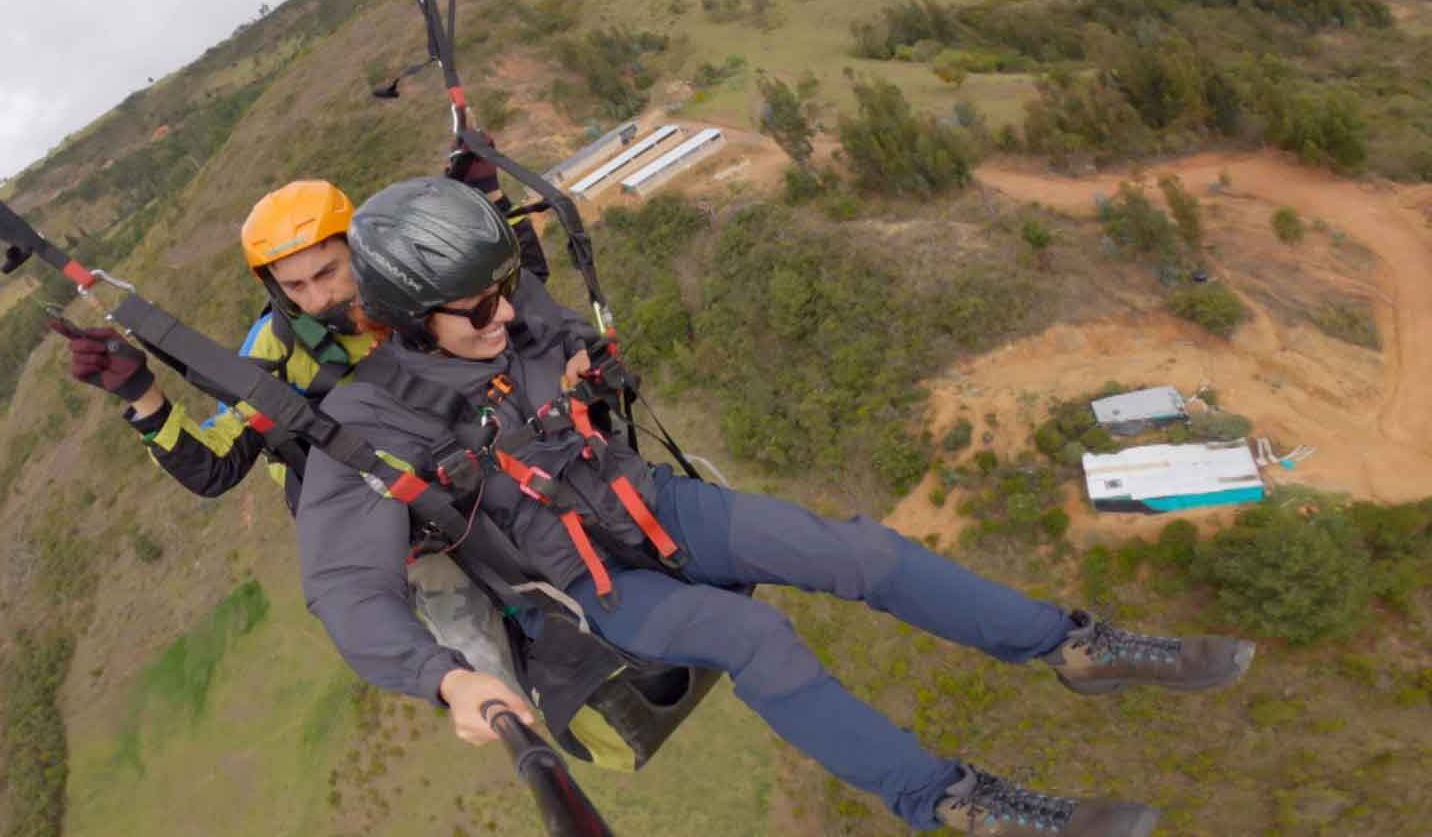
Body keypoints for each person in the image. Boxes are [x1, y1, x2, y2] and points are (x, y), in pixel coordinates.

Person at [295, 177, 1257, 836]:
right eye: (477, 310)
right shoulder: (367, 420)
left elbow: (556, 327)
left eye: (505, 290)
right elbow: (348, 588)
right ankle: (959, 803)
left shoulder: (507, 306)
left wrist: (584, 362)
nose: (504, 315)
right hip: (600, 583)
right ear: (411, 316)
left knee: (861, 555)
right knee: (761, 642)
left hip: (658, 503)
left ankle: (1073, 647)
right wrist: (444, 679)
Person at [58, 154, 547, 513]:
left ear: (357, 250)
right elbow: (215, 468)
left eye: (327, 273)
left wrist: (492, 201)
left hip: (485, 451)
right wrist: (142, 396)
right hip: (399, 513)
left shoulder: (407, 282)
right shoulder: (276, 348)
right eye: (294, 285)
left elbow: (516, 305)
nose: (316, 298)